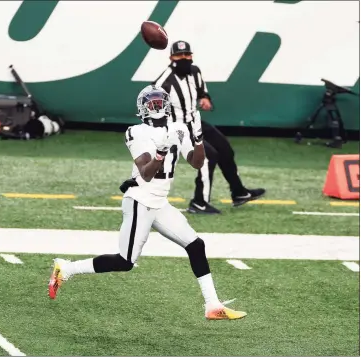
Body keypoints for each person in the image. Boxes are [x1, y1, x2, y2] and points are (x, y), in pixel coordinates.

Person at [48, 85, 246, 320]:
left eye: (160, 101)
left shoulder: (179, 127)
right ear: (143, 107)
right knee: (125, 261)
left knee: (196, 245)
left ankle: (213, 305)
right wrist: (161, 151)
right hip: (140, 201)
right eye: (152, 102)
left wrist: (199, 139)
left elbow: (195, 162)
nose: (157, 106)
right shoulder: (136, 131)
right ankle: (66, 268)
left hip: (160, 202)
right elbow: (146, 172)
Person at [153, 40, 265, 214]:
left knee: (225, 150)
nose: (184, 58)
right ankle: (199, 202)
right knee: (207, 156)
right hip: (178, 128)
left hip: (194, 122)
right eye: (179, 55)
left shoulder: (194, 71)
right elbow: (152, 109)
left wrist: (205, 98)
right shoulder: (163, 83)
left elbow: (201, 91)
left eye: (187, 55)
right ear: (171, 57)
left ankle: (239, 193)